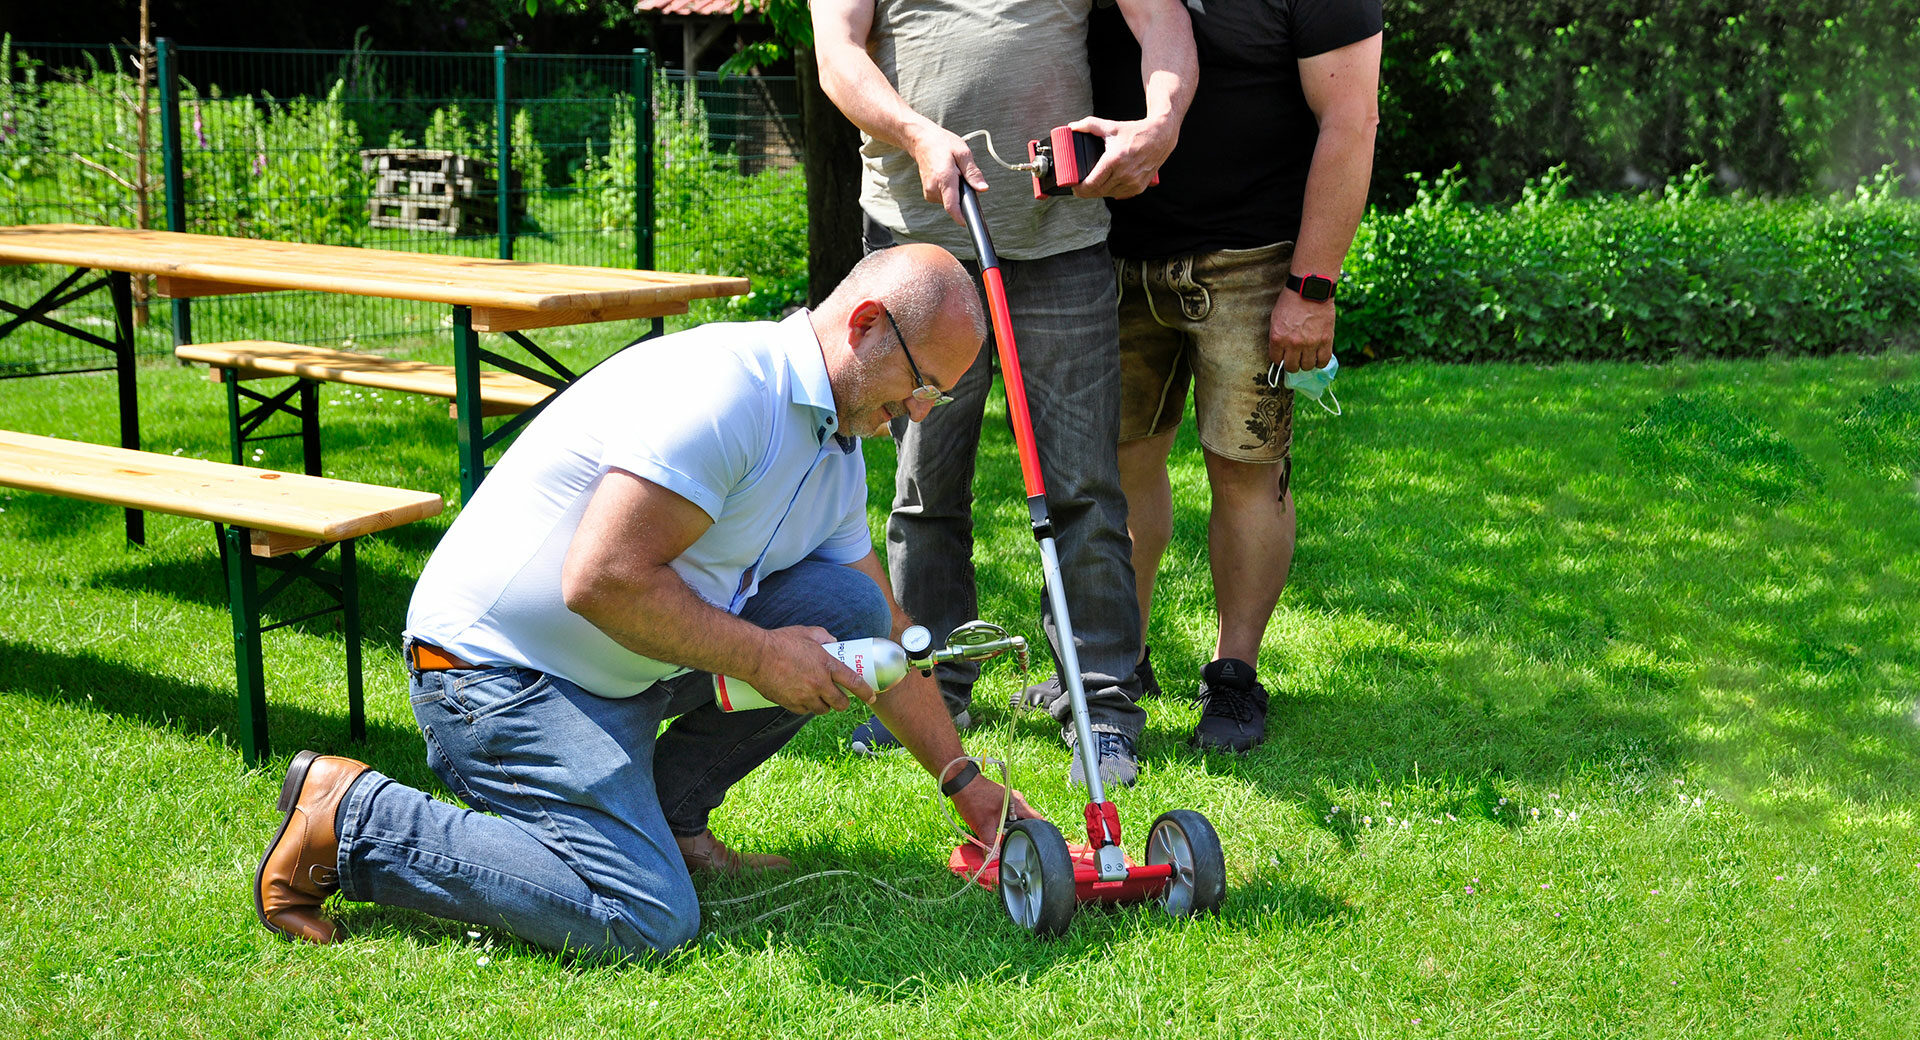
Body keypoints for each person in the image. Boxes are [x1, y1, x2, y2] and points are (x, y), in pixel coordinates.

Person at [254, 245, 1038, 960]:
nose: (921, 412)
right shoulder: (728, 391)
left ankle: (670, 821)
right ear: (865, 325)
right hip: (494, 677)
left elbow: (886, 630)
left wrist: (964, 782)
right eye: (923, 384)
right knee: (645, 916)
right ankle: (353, 820)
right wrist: (764, 654)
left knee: (851, 615)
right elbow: (601, 578)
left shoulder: (831, 450)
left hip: (614, 670)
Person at [810, 0, 1197, 787]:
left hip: (1061, 246)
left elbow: (1166, 25)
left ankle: (1103, 704)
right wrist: (918, 133)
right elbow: (838, 55)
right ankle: (932, 688)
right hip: (918, 252)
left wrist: (1159, 123)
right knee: (926, 490)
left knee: (1085, 486)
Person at [1090, 0, 1383, 751]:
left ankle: (1234, 675)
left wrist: (1313, 287)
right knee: (1118, 468)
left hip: (1255, 264)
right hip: (1112, 257)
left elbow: (1351, 121)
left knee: (1247, 468)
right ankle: (1120, 662)